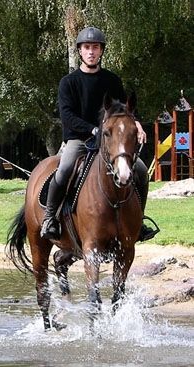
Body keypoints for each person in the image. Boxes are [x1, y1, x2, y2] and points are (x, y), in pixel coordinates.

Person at [40, 26, 157, 242]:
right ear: (80, 51)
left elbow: (126, 110)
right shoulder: (69, 82)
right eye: (87, 48)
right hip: (79, 140)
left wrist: (137, 124)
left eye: (95, 47)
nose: (91, 52)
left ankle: (138, 222)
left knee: (140, 170)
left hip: (110, 142)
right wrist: (92, 129)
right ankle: (50, 219)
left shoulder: (112, 80)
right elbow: (67, 116)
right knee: (64, 169)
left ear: (101, 51)